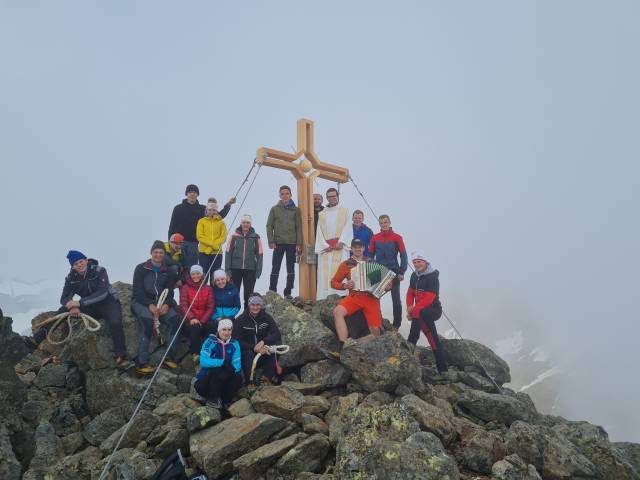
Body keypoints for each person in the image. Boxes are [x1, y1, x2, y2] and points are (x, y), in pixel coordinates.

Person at [44, 250, 129, 367]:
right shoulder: (71, 278)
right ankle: (36, 340)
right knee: (62, 311)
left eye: (81, 261)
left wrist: (80, 303)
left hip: (108, 302)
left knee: (115, 322)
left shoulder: (99, 271)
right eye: (76, 264)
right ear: (73, 266)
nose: (79, 265)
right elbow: (64, 298)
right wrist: (72, 306)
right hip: (89, 306)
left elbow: (102, 292)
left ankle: (121, 356)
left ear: (86, 261)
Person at [131, 240, 181, 375]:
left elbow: (170, 290)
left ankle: (169, 357)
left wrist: (167, 304)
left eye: (161, 252)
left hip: (161, 303)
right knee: (147, 323)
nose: (158, 255)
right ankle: (142, 363)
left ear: (164, 254)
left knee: (176, 321)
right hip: (141, 303)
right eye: (156, 252)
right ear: (151, 253)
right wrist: (149, 304)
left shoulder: (168, 271)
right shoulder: (141, 268)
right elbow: (137, 291)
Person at [331, 239, 385, 348]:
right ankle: (343, 345)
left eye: (360, 247)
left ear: (364, 248)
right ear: (351, 249)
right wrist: (345, 286)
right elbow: (333, 282)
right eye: (355, 247)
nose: (357, 249)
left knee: (376, 334)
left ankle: (354, 345)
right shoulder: (346, 264)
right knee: (337, 312)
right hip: (355, 297)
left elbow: (382, 284)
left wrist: (387, 286)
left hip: (371, 298)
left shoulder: (372, 262)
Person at [168, 184, 235, 270]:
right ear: (186, 194)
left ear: (197, 195)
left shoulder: (203, 209)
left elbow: (218, 216)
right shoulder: (178, 208)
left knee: (191, 269)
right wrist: (170, 243)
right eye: (190, 192)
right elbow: (172, 226)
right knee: (178, 267)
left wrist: (228, 204)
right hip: (179, 243)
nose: (192, 194)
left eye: (195, 192)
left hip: (193, 244)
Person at [406, 250, 448, 373]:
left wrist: (413, 312)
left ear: (425, 262)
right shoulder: (414, 276)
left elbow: (429, 299)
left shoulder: (433, 278)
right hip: (420, 311)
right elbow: (410, 293)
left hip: (433, 310)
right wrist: (409, 306)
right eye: (414, 262)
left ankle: (409, 346)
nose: (417, 264)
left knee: (421, 316)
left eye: (419, 262)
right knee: (432, 337)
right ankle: (443, 370)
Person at [234, 294, 282, 386]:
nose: (255, 307)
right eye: (253, 305)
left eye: (258, 304)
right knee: (247, 353)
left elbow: (276, 334)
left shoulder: (267, 318)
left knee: (274, 348)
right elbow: (236, 341)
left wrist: (263, 342)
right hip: (248, 355)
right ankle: (250, 381)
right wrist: (254, 347)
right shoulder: (240, 320)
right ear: (249, 305)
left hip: (263, 351)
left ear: (261, 305)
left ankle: (266, 378)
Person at [369, 214, 408, 329]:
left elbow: (404, 256)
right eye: (381, 223)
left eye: (385, 222)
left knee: (396, 300)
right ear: (379, 224)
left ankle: (396, 326)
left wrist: (402, 272)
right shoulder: (375, 238)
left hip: (394, 272)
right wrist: (371, 273)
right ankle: (376, 321)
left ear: (389, 223)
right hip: (379, 271)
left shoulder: (397, 237)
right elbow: (370, 257)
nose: (383, 225)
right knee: (375, 297)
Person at [194, 318, 243, 409]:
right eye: (224, 329)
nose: (226, 333)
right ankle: (213, 399)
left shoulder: (235, 343)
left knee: (237, 377)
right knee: (217, 370)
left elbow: (237, 365)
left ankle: (225, 402)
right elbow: (203, 361)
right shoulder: (210, 341)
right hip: (206, 381)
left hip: (224, 380)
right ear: (219, 330)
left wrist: (228, 371)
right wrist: (222, 362)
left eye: (229, 330)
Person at [266, 185, 302, 299]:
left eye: (287, 193)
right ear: (279, 195)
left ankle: (288, 292)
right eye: (282, 194)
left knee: (290, 268)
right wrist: (271, 241)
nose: (285, 195)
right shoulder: (274, 209)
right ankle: (272, 290)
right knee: (275, 267)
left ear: (290, 195)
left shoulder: (296, 210)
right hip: (278, 243)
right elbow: (269, 225)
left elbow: (299, 227)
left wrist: (299, 243)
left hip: (292, 243)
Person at [315, 187, 351, 299]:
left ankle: (341, 296)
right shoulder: (322, 213)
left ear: (337, 197)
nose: (332, 198)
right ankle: (324, 298)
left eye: (334, 196)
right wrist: (324, 246)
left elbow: (348, 227)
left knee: (340, 272)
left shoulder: (344, 211)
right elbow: (319, 231)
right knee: (324, 275)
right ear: (326, 198)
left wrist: (342, 242)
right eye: (329, 196)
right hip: (326, 249)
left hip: (340, 248)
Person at [225, 214, 263, 308]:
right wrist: (228, 271)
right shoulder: (234, 236)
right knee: (234, 293)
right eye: (244, 222)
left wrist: (258, 271)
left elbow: (260, 254)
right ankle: (232, 316)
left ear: (250, 224)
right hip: (235, 269)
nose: (245, 224)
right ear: (241, 223)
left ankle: (247, 315)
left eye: (248, 222)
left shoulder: (256, 237)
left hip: (250, 269)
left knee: (248, 294)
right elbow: (228, 253)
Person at [179, 265, 215, 362]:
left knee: (213, 326)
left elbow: (210, 306)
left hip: (204, 320)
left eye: (198, 273)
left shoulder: (208, 288)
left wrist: (202, 321)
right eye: (193, 274)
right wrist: (192, 318)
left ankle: (209, 352)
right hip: (190, 321)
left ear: (202, 274)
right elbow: (183, 305)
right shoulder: (185, 288)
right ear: (190, 275)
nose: (196, 276)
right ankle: (196, 354)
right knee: (195, 327)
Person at [196, 201, 227, 285]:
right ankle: (203, 296)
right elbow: (200, 236)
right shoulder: (201, 221)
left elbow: (223, 237)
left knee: (215, 277)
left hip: (217, 253)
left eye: (214, 210)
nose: (212, 212)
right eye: (210, 210)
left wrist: (213, 247)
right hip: (203, 252)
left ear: (217, 211)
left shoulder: (221, 222)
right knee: (204, 276)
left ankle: (214, 297)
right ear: (206, 210)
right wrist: (212, 245)